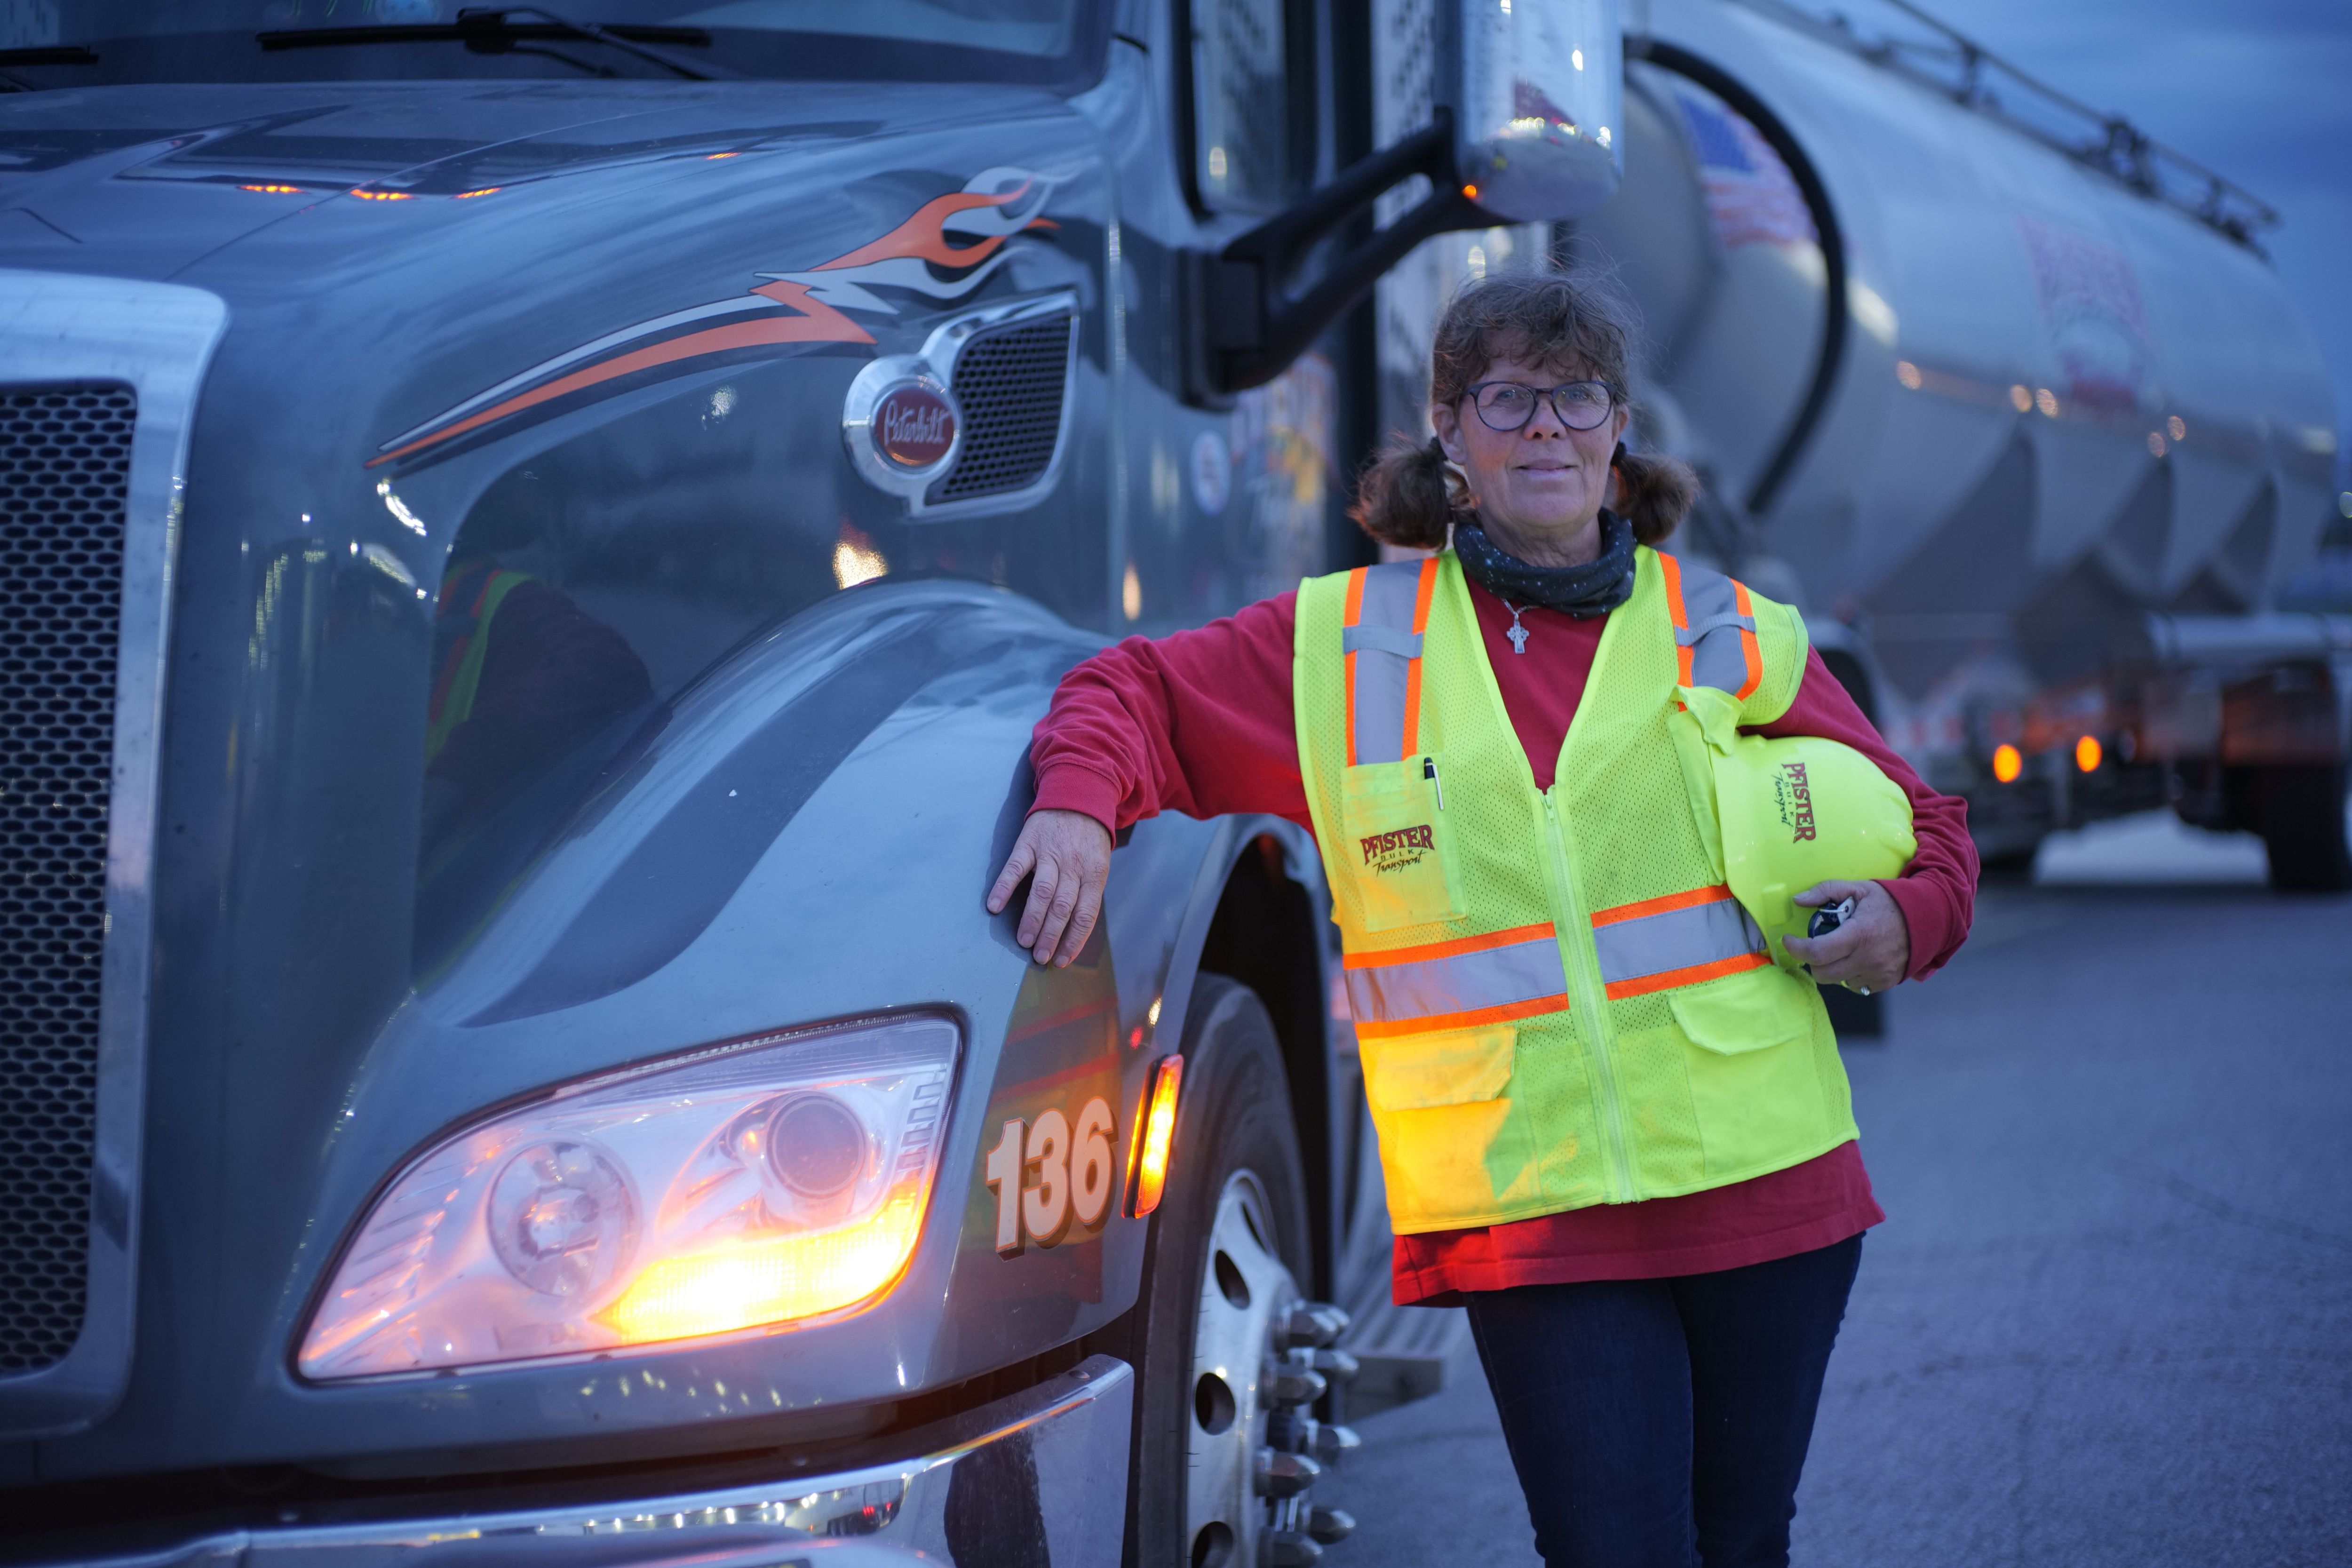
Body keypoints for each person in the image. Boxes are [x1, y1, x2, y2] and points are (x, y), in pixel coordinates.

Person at [986, 271, 1977, 1568]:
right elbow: (1132, 691)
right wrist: (1073, 805)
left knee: (1744, 1544)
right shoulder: (1346, 649)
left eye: (1576, 398)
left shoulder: (1730, 631)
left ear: (1620, 428)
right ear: (1448, 431)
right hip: (1536, 1215)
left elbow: (1933, 832)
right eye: (1509, 398)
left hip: (1771, 1192)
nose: (1546, 429)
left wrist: (1909, 925)